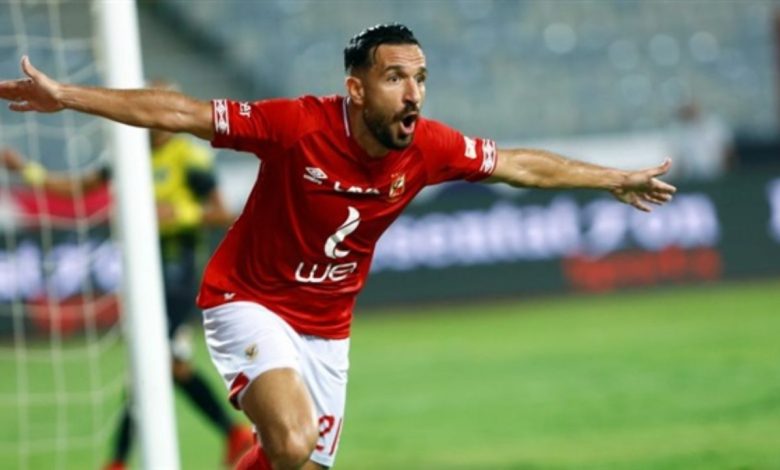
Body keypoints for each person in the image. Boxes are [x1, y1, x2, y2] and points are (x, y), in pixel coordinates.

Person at [0, 24, 676, 470]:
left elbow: (520, 165)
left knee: (295, 462)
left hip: (327, 326)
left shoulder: (431, 146)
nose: (413, 94)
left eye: (421, 78)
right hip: (248, 298)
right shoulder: (296, 125)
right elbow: (183, 113)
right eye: (395, 78)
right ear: (356, 88)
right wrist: (69, 97)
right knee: (292, 441)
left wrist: (613, 178)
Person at [0, 93, 253, 468]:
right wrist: (27, 170)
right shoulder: (126, 153)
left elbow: (222, 212)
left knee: (151, 361)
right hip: (141, 273)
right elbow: (78, 188)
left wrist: (177, 213)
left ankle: (118, 460)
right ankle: (233, 435)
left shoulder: (189, 158)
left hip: (178, 272)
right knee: (170, 364)